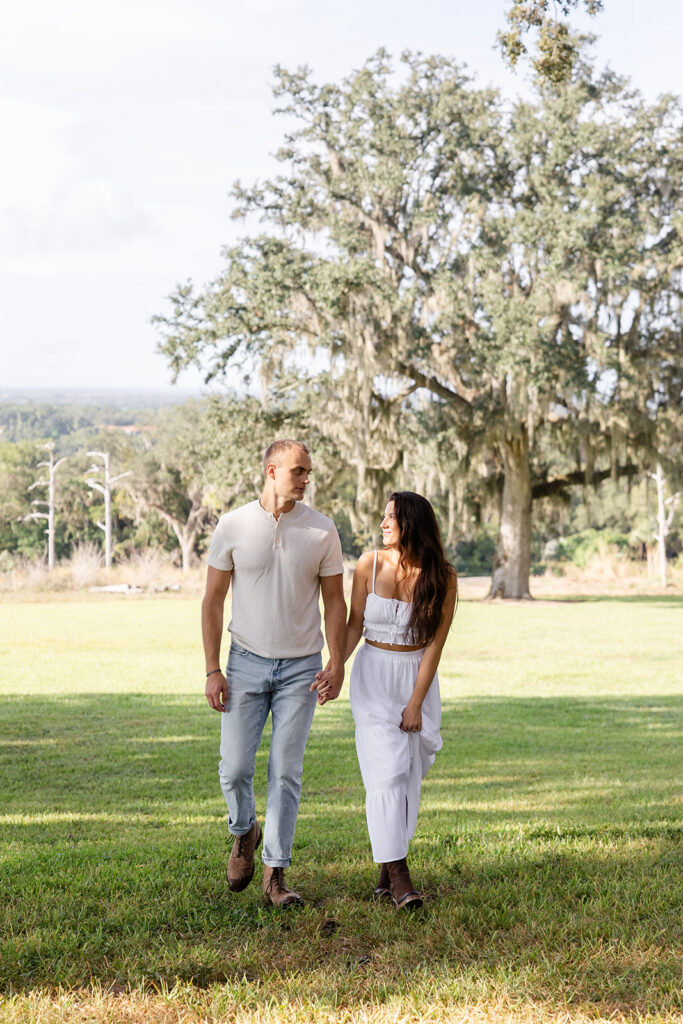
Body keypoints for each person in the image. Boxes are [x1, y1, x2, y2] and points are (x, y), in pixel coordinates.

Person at [202, 440, 346, 908]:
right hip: (244, 662)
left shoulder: (322, 530)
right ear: (271, 470)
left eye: (308, 471)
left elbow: (335, 603)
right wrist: (212, 669)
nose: (306, 479)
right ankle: (244, 831)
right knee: (235, 768)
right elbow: (212, 602)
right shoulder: (234, 525)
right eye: (298, 471)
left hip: (301, 669)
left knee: (286, 771)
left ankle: (275, 876)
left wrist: (337, 661)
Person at [319, 491, 456, 910]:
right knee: (387, 771)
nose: (383, 523)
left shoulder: (443, 577)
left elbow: (434, 646)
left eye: (390, 517)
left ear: (411, 523)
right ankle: (400, 878)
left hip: (416, 679)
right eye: (383, 517)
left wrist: (416, 702)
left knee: (409, 776)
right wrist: (336, 665)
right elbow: (355, 623)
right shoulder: (369, 563)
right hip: (373, 675)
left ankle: (384, 869)